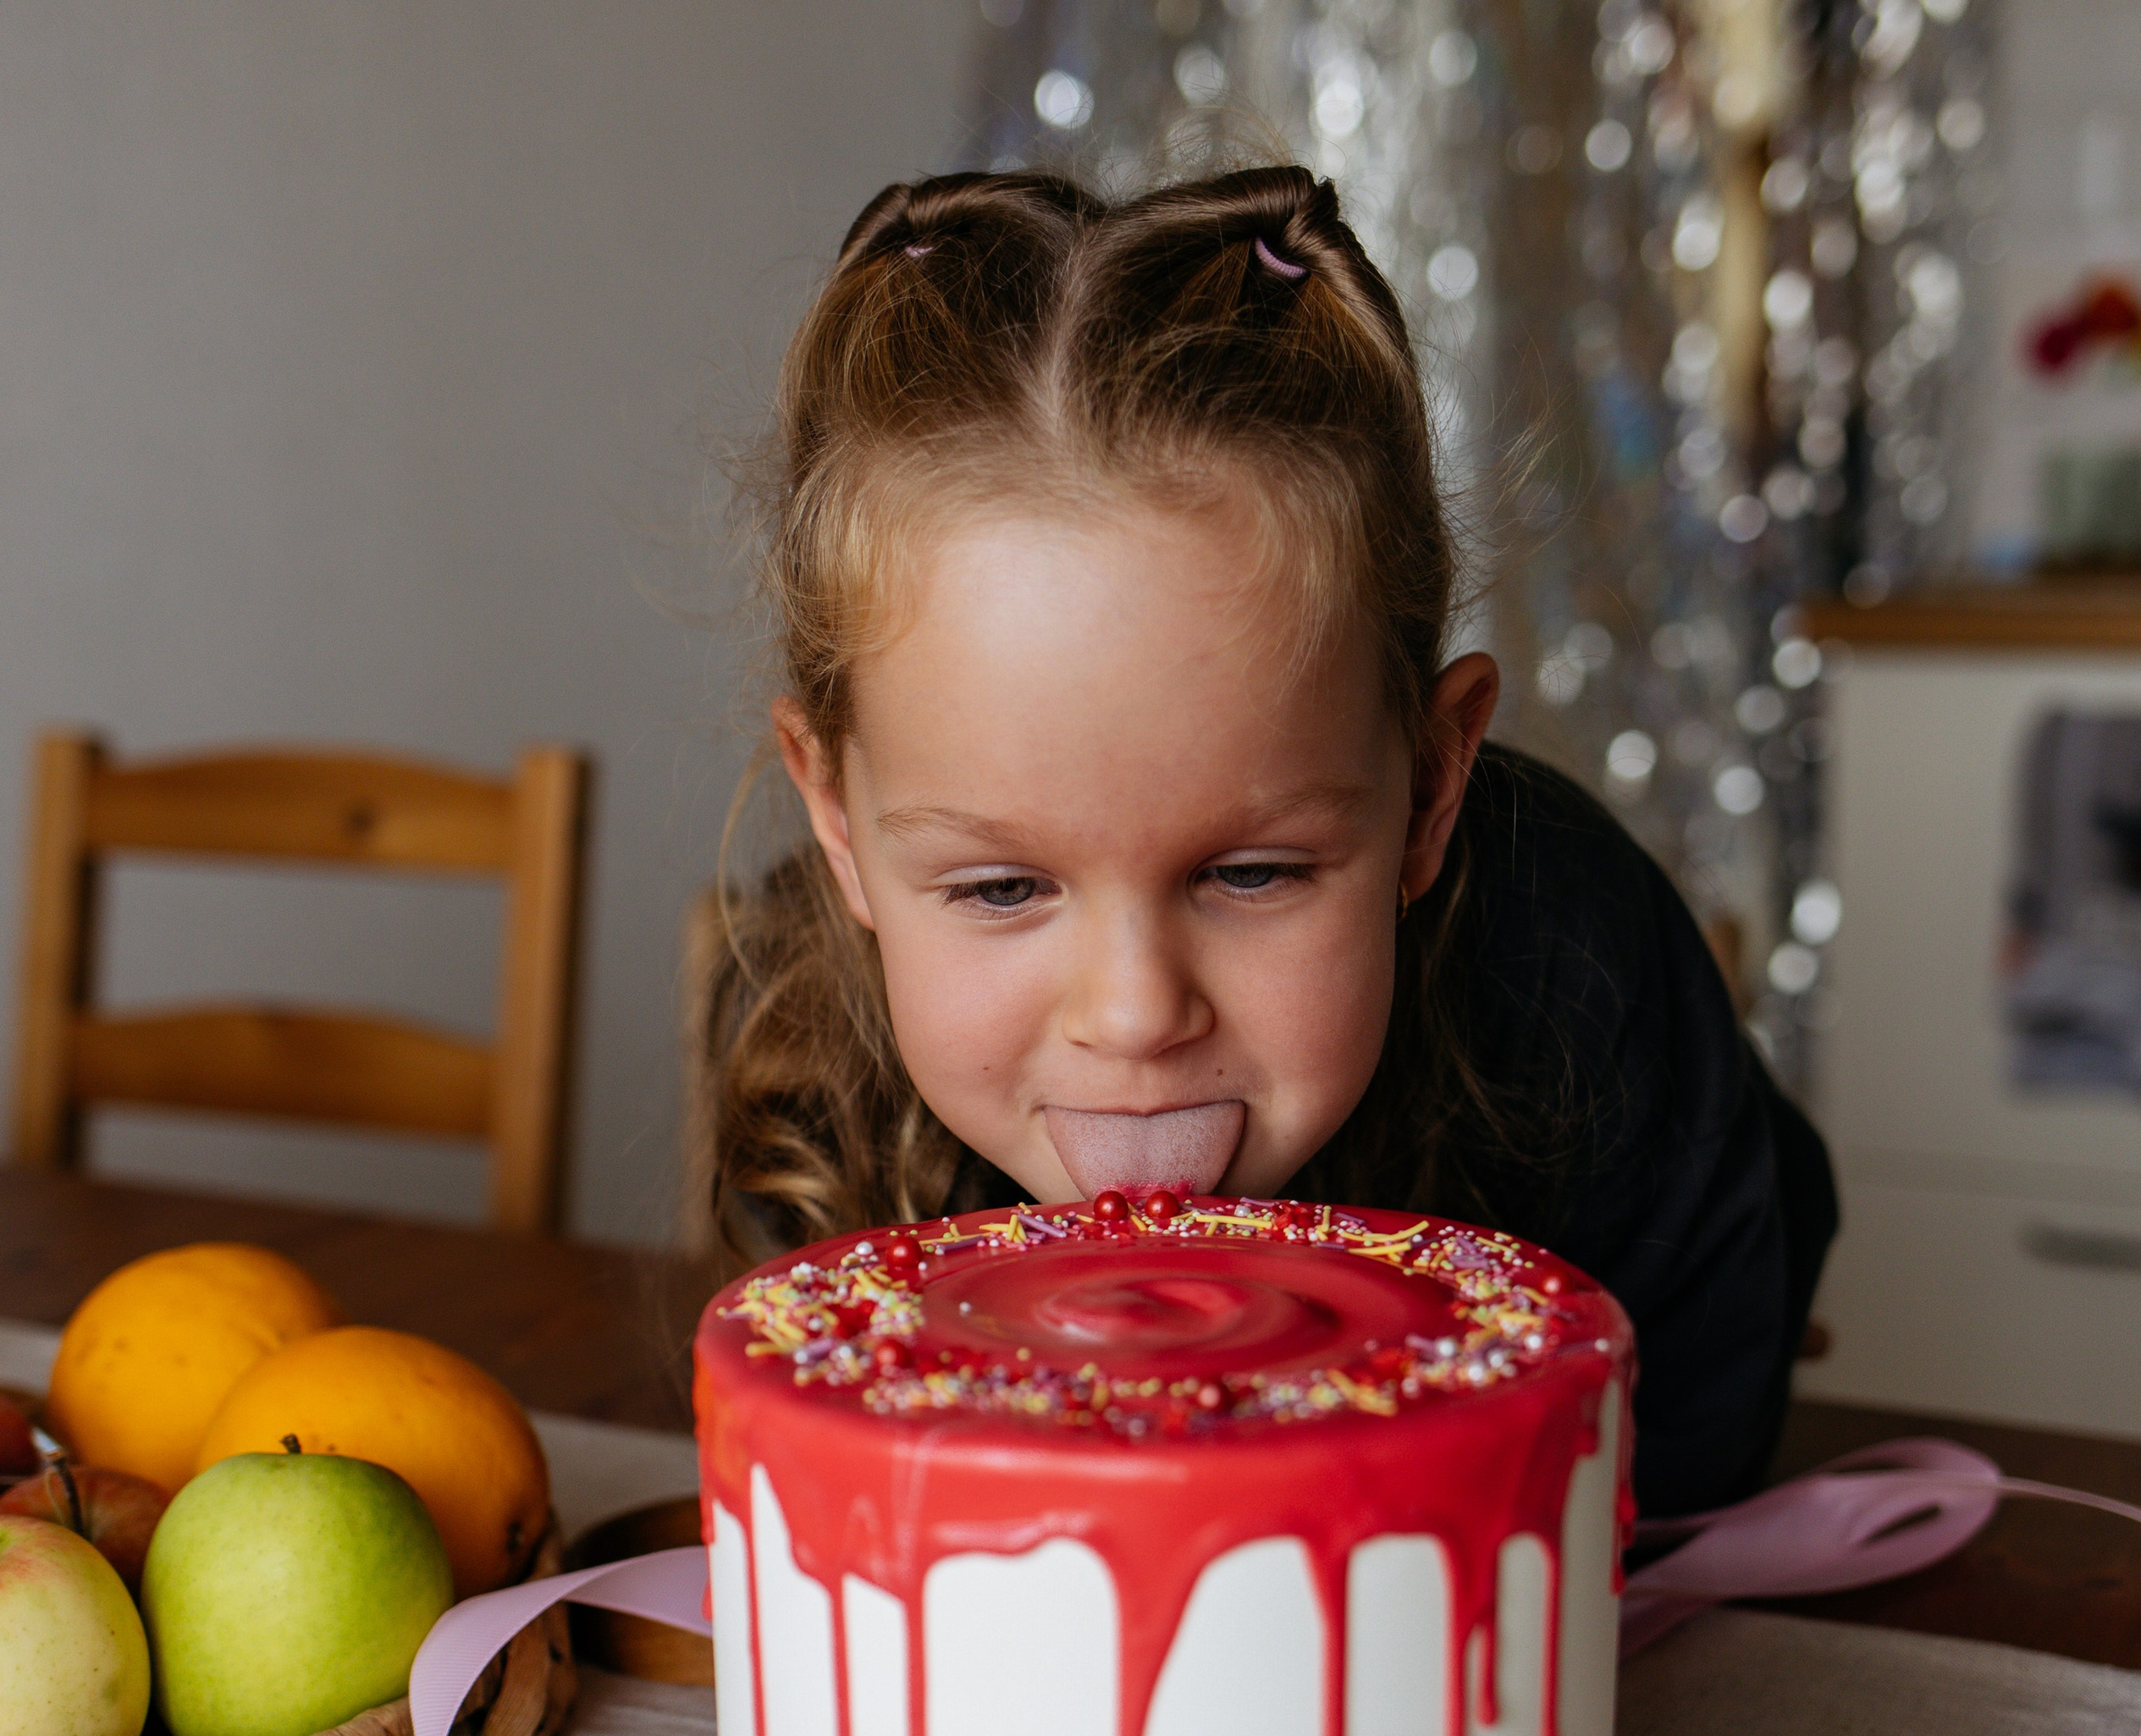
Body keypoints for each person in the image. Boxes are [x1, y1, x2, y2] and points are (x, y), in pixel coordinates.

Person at [699, 163, 1836, 1519]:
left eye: (1251, 873)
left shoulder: (1574, 966)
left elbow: (1680, 1477)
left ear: (1427, 788)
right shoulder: (806, 1061)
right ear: (838, 823)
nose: (1135, 1015)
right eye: (1003, 887)